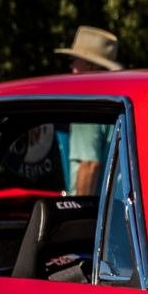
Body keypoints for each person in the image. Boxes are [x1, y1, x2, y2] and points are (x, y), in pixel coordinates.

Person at [57, 26, 123, 194]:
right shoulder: (114, 103)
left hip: (94, 208)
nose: (71, 66)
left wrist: (79, 209)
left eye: (74, 60)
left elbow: (89, 166)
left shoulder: (87, 108)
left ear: (90, 65)